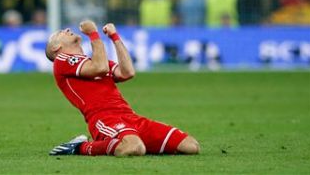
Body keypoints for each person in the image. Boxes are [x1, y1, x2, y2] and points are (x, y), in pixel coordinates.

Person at [46, 20, 200, 156]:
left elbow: (127, 72)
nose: (66, 30)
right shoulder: (61, 60)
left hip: (130, 116)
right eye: (60, 33)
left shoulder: (94, 61)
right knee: (134, 147)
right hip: (104, 119)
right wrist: (93, 33)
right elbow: (99, 68)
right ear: (56, 48)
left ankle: (129, 140)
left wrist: (115, 37)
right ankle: (80, 147)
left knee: (191, 146)